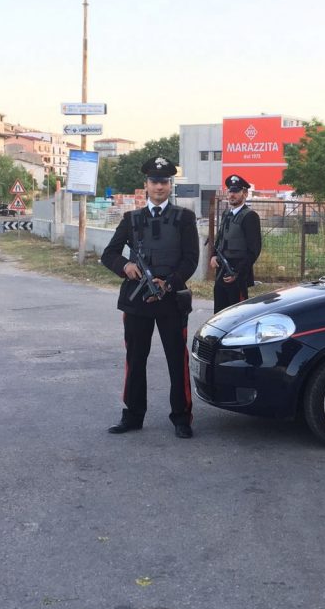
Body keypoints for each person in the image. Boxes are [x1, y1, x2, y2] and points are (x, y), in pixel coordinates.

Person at [100, 156, 199, 438]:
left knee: (176, 360)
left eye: (164, 181)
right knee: (136, 359)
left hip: (170, 300)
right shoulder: (132, 219)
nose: (159, 186)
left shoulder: (184, 218)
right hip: (137, 300)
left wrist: (168, 283)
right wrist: (126, 266)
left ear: (171, 185)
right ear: (146, 185)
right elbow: (110, 254)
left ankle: (181, 417)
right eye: (154, 181)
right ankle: (132, 415)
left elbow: (191, 259)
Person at [209, 174, 262, 312]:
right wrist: (213, 256)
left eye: (236, 191)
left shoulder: (250, 216)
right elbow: (220, 239)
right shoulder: (227, 214)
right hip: (221, 272)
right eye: (230, 191)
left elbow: (254, 250)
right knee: (219, 314)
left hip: (238, 276)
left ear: (244, 193)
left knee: (237, 316)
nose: (232, 195)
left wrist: (237, 272)